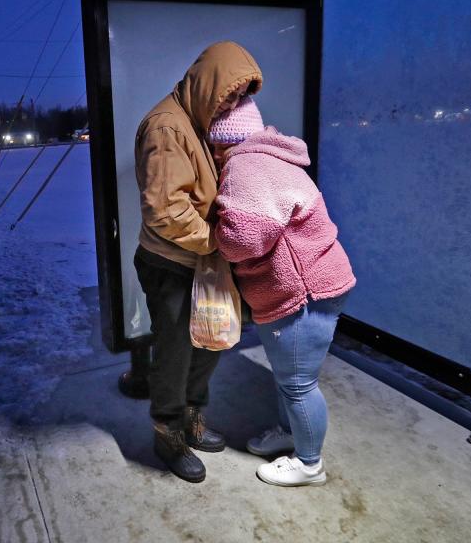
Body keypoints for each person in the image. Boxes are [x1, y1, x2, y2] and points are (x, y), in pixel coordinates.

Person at [210, 96, 356, 487]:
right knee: (289, 376)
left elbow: (244, 239)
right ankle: (291, 433)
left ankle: (310, 465)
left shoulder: (244, 166)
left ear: (222, 139)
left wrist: (214, 233)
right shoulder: (276, 158)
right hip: (318, 281)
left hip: (300, 292)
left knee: (297, 383)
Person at [134, 41, 263, 483]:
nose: (233, 104)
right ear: (206, 81)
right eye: (228, 92)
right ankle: (167, 433)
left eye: (240, 96)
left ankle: (193, 418)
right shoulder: (167, 127)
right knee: (175, 354)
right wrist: (218, 240)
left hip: (203, 260)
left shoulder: (200, 121)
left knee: (210, 341)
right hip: (172, 262)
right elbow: (165, 209)